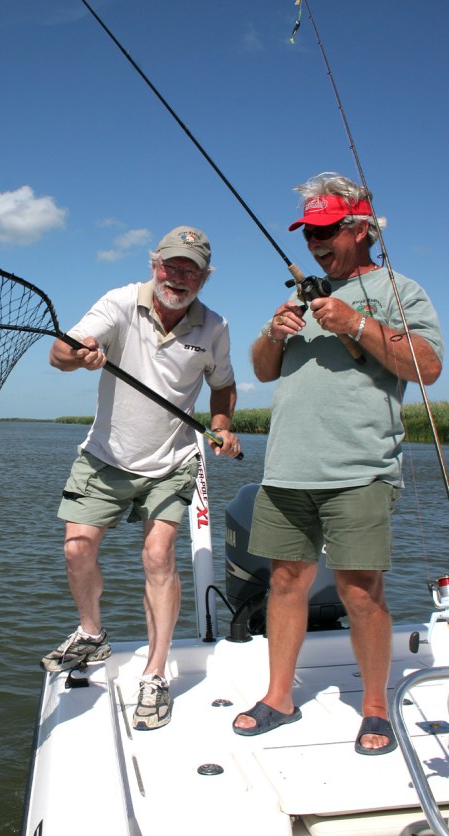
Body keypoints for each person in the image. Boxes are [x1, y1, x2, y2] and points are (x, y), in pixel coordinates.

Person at [233, 172, 443, 754]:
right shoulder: (304, 294)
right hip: (286, 467)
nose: (315, 243)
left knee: (360, 590)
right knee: (284, 581)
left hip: (359, 469)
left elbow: (427, 367)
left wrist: (356, 323)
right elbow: (264, 370)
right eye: (308, 233)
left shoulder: (401, 290)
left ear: (361, 229)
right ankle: (279, 697)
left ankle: (375, 708)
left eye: (326, 230)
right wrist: (273, 334)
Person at [40, 226, 241, 731]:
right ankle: (91, 633)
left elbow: (223, 385)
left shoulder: (215, 327)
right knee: (76, 549)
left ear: (204, 278)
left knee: (158, 556)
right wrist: (79, 354)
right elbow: (60, 354)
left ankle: (154, 674)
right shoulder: (120, 302)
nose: (178, 277)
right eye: (171, 266)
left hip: (172, 460)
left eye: (190, 270)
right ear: (154, 265)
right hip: (105, 455)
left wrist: (221, 426)